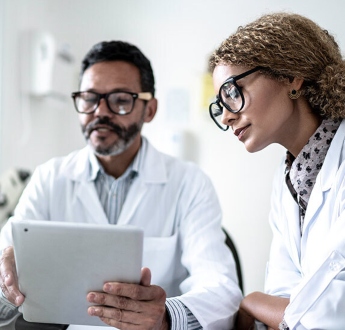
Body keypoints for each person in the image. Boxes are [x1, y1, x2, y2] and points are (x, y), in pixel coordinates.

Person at [0, 41, 242, 329]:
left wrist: (164, 316)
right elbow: (7, 266)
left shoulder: (189, 184)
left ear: (149, 110)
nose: (100, 111)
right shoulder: (50, 178)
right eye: (89, 98)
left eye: (120, 100)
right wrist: (7, 278)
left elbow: (222, 290)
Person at [208, 12, 345, 330]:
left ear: (291, 75)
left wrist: (252, 301)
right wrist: (269, 306)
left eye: (232, 91)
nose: (227, 116)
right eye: (220, 104)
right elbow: (284, 295)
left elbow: (333, 312)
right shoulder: (287, 184)